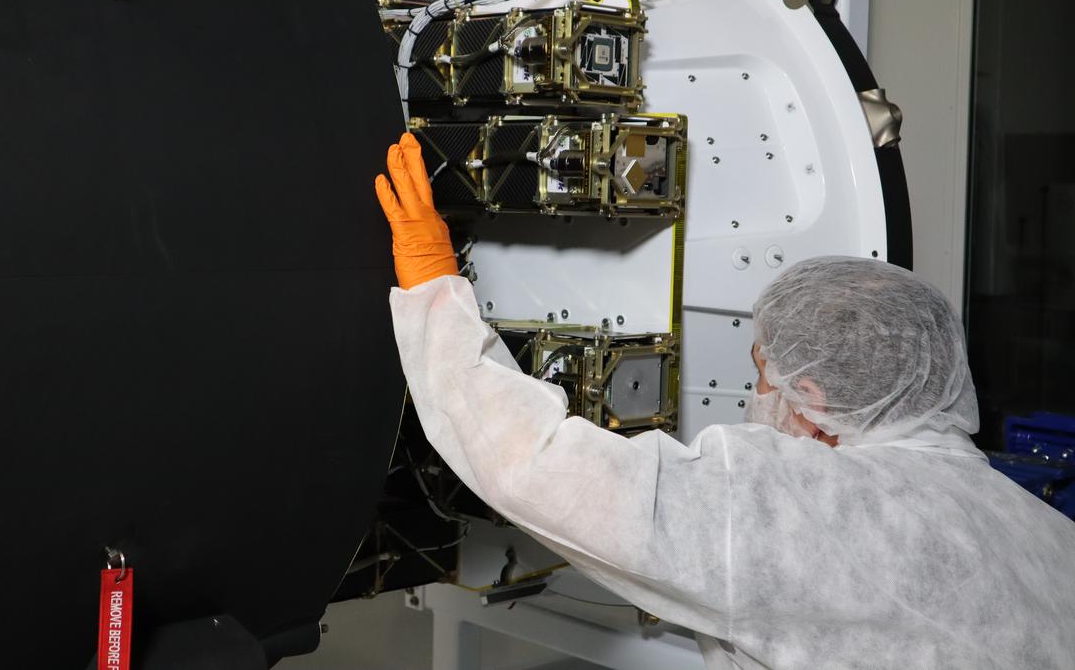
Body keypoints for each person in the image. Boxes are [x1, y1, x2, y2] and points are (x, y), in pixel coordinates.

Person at [374, 132, 1075, 670]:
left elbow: (536, 466)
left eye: (764, 374)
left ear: (814, 394)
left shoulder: (811, 513)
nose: (756, 397)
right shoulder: (1042, 532)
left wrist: (437, 288)